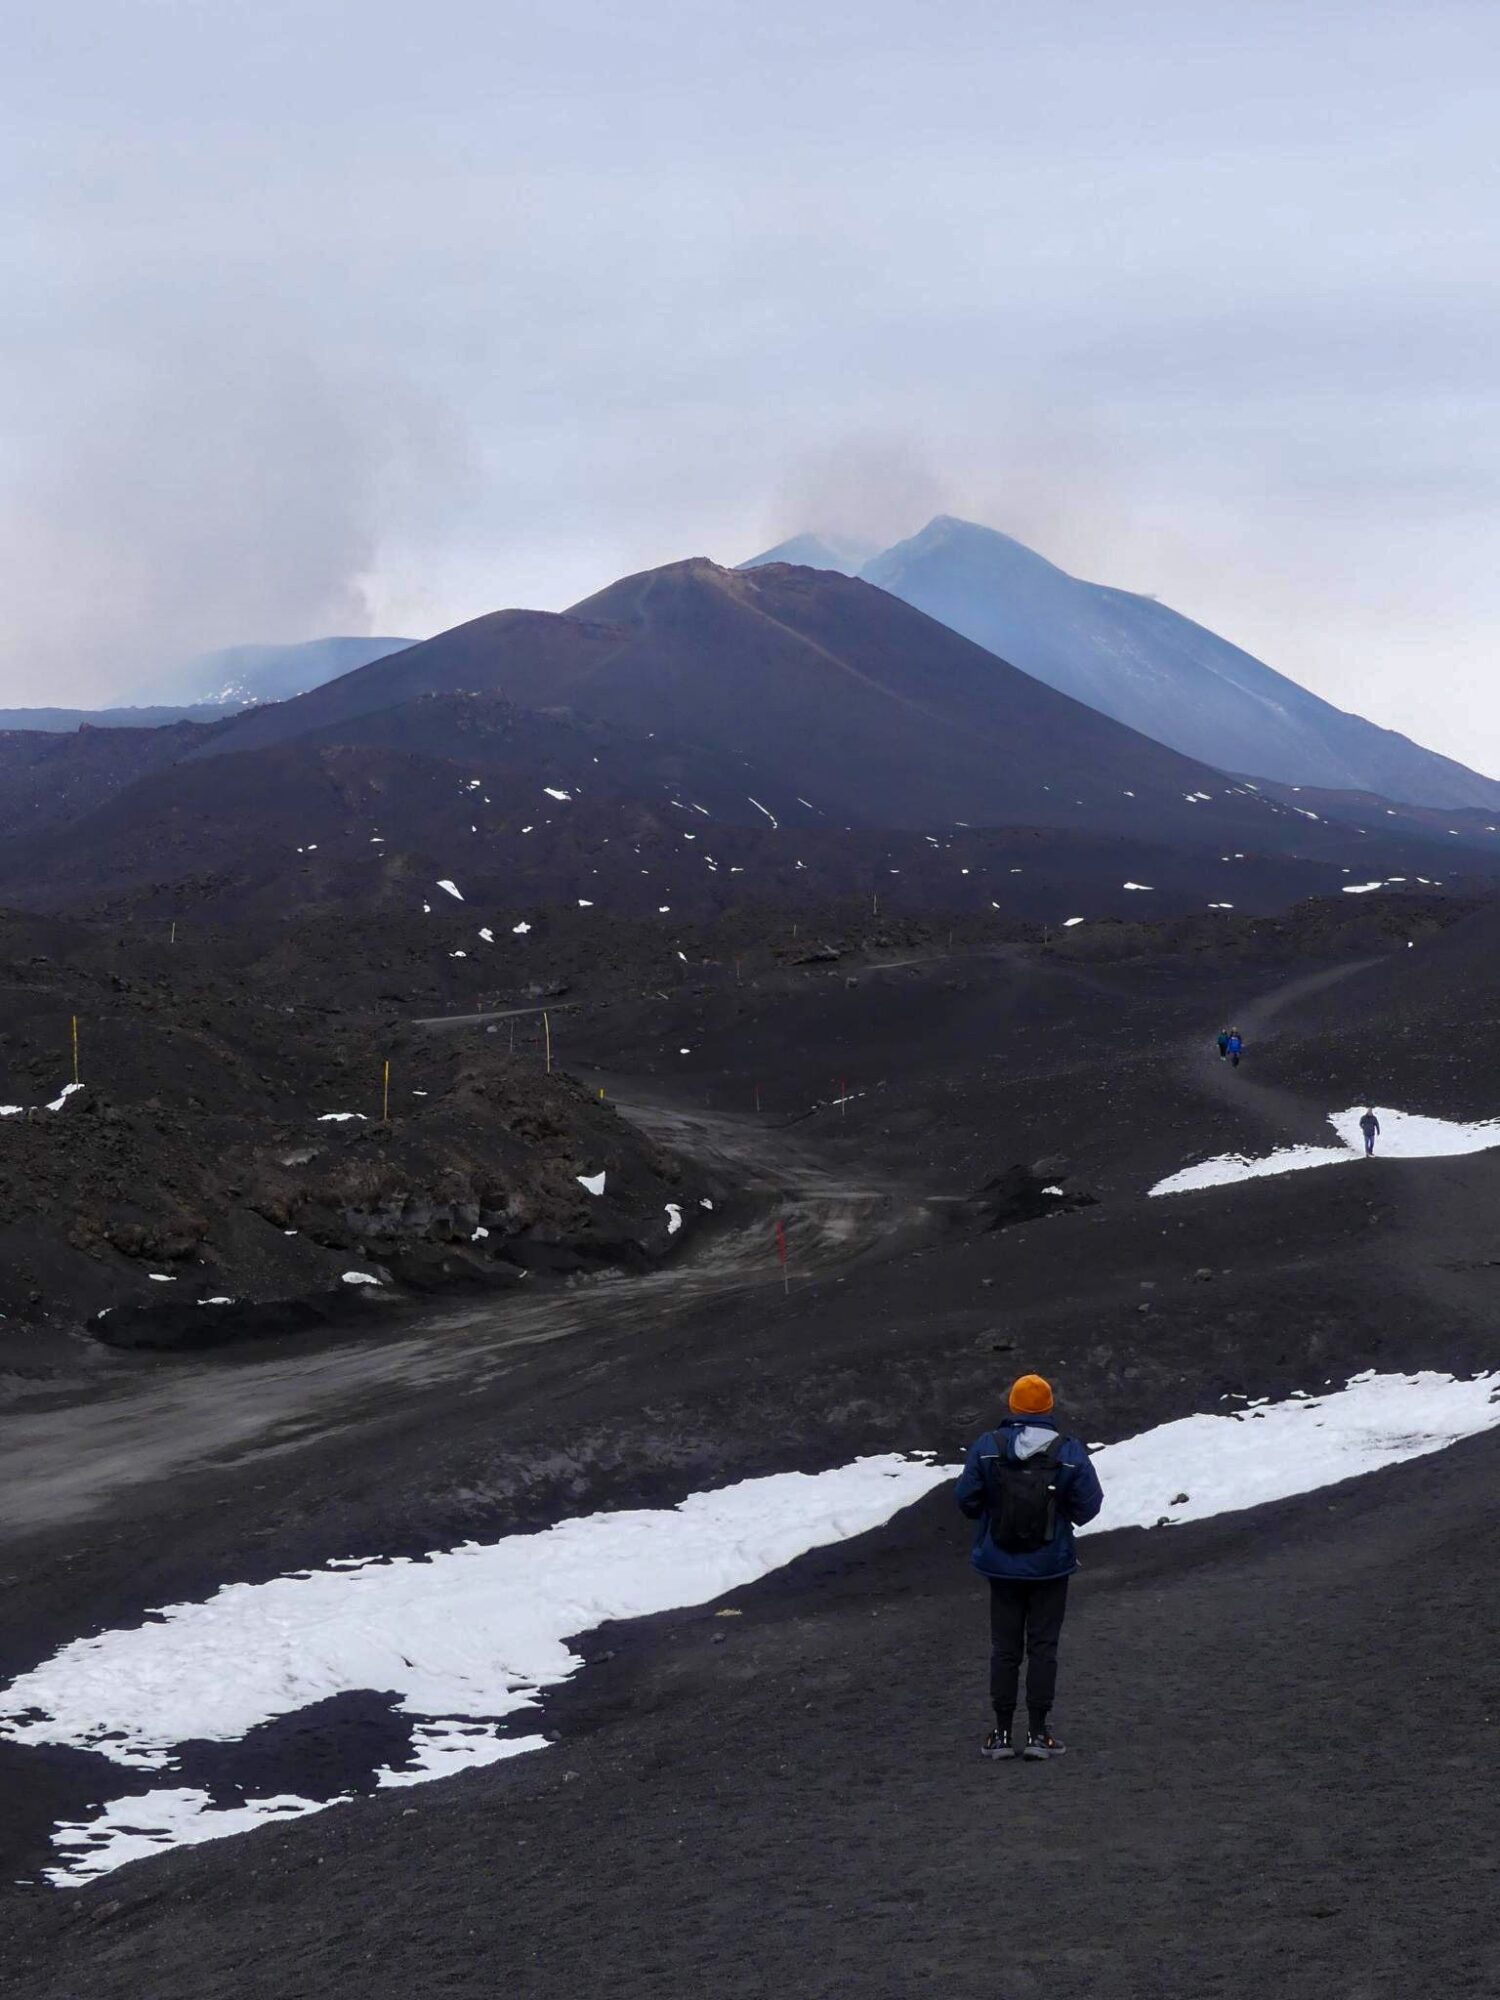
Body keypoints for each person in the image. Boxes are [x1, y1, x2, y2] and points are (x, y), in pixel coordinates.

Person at [956, 1373, 1103, 1761]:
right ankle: (1039, 1734)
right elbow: (1089, 1506)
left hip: (1001, 1566)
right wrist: (1057, 1516)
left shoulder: (989, 1447)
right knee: (1043, 1647)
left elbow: (966, 1500)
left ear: (1014, 1407)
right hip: (1050, 1566)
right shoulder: (1068, 1451)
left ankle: (1001, 1734)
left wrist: (995, 1510)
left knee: (1004, 1648)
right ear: (1049, 1407)